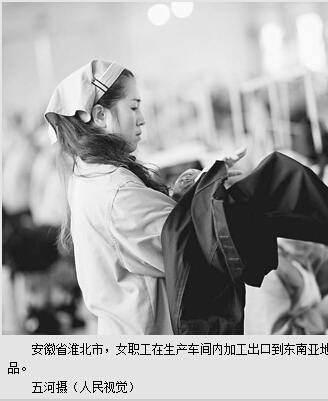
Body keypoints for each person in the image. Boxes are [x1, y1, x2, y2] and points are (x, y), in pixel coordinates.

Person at [44, 60, 244, 335]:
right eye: (133, 107)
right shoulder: (117, 190)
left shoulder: (90, 175)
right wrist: (209, 193)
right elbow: (188, 250)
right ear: (100, 115)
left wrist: (180, 196)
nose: (141, 119)